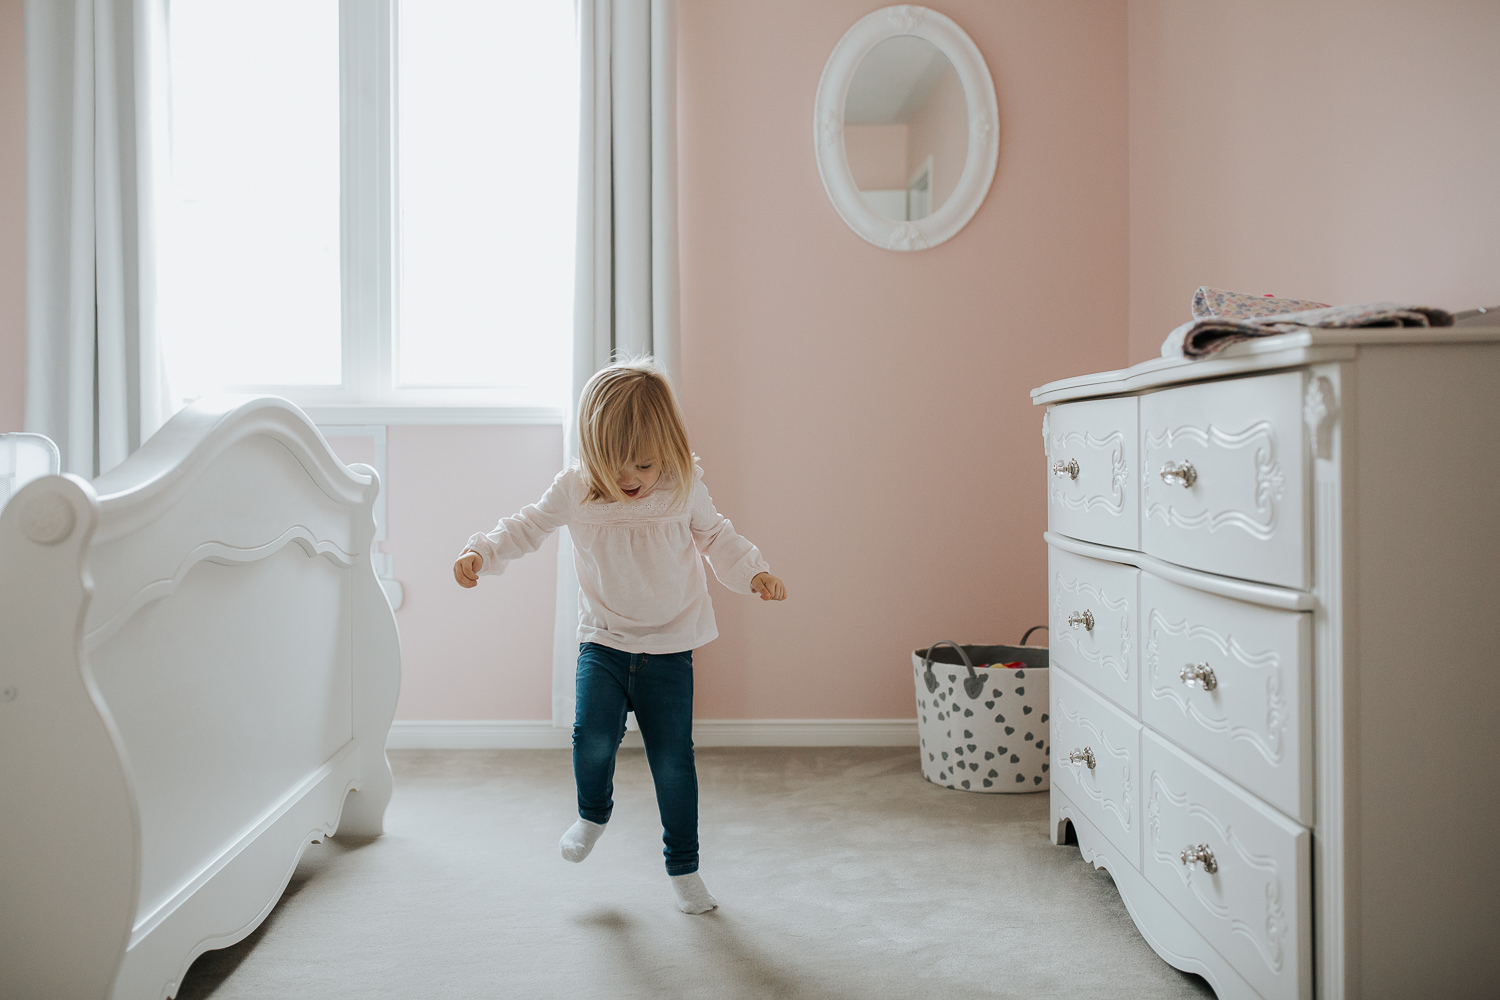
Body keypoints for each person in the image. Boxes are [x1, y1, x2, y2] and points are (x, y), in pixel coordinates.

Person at [453, 359, 787, 914]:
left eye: (644, 463)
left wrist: (753, 572)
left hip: (669, 647)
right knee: (592, 736)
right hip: (604, 641)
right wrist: (482, 553)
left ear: (670, 450)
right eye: (613, 463)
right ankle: (592, 814)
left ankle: (684, 869)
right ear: (589, 451)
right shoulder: (576, 490)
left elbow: (717, 537)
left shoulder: (683, 489)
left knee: (673, 762)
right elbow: (527, 525)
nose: (630, 478)